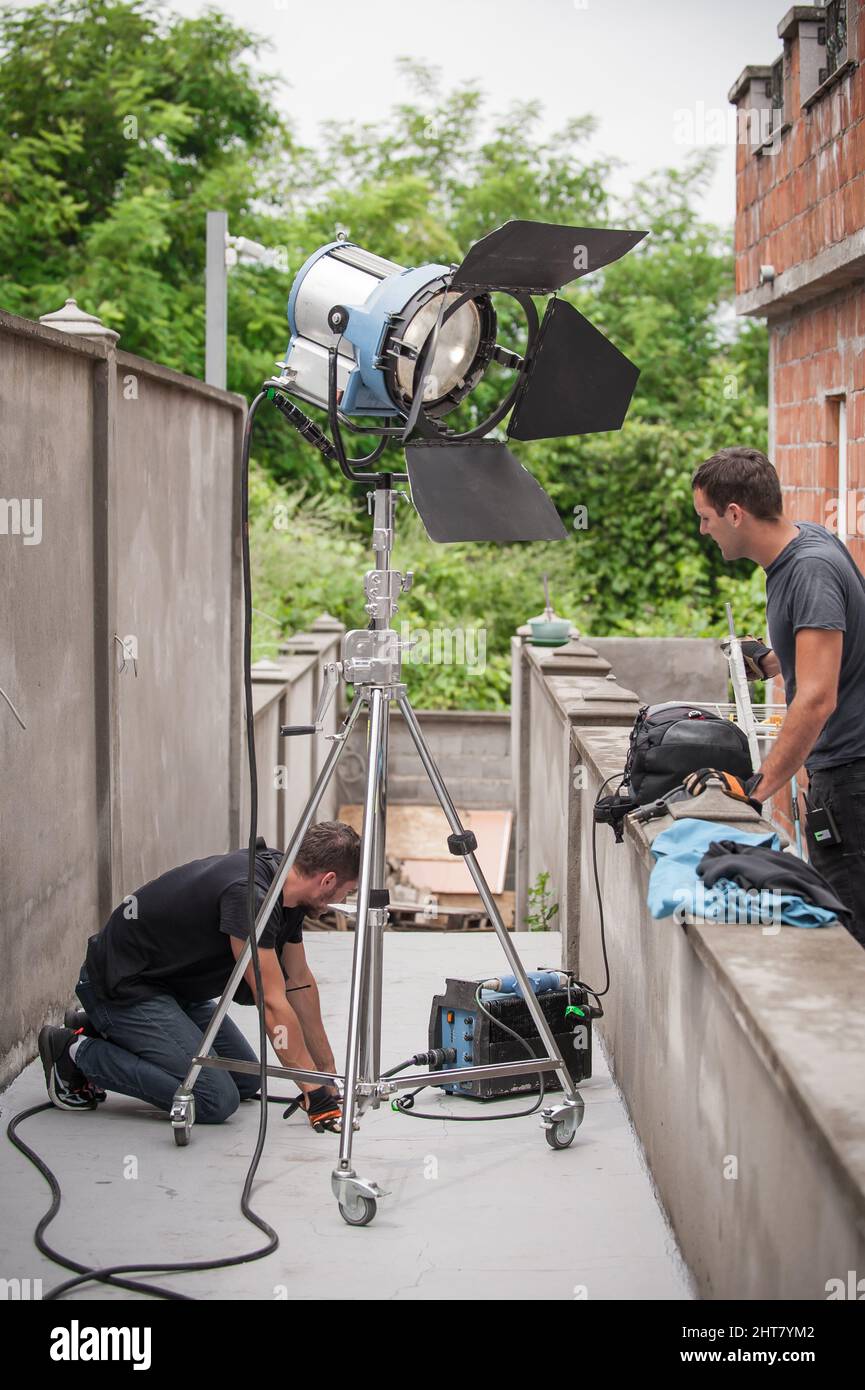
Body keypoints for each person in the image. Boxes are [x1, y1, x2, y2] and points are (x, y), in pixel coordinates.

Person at [38, 820, 360, 1123]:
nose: (344, 900)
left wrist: (325, 1073)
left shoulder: (288, 891)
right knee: (214, 1099)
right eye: (348, 891)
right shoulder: (251, 896)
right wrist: (313, 1093)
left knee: (246, 1079)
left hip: (173, 990)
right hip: (124, 985)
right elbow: (273, 1003)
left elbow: (299, 983)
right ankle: (74, 1052)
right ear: (327, 880)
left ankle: (97, 1026)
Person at [692, 446, 865, 948]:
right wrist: (770, 661)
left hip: (852, 782)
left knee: (849, 944)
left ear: (735, 514)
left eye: (706, 518)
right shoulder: (803, 543)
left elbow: (815, 699)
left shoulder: (808, 571)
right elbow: (839, 648)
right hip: (845, 773)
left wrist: (754, 791)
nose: (704, 530)